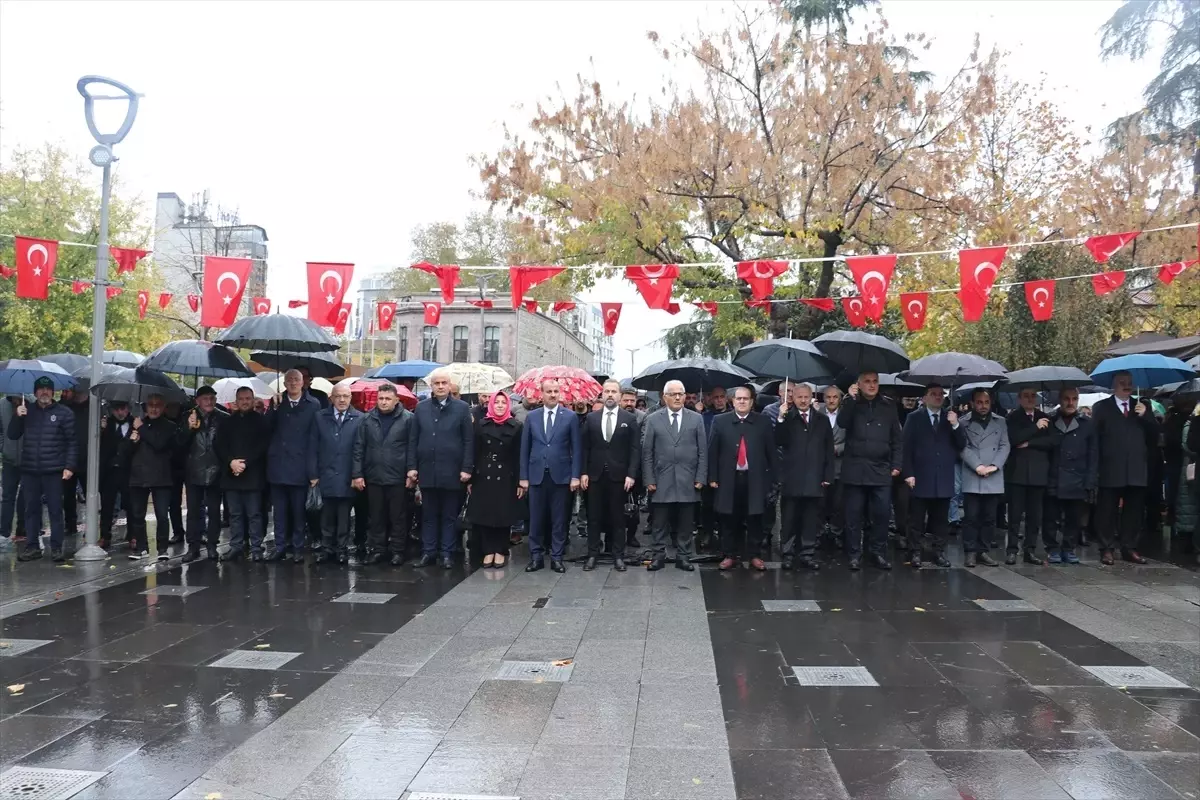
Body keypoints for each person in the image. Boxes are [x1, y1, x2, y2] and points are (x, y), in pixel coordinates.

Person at [836, 372, 903, 570]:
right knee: (853, 515)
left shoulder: (888, 405)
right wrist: (850, 399)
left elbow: (897, 439)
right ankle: (854, 554)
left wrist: (897, 465)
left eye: (875, 381)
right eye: (867, 382)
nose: (872, 385)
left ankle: (878, 552)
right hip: (855, 468)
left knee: (882, 514)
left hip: (881, 469)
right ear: (859, 384)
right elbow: (842, 423)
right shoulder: (852, 402)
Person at [1091, 371, 1159, 565]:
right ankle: (1106, 548)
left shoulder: (1142, 406)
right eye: (1122, 382)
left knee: (1134, 511)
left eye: (1129, 383)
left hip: (1137, 468)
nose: (1126, 386)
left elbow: (1155, 435)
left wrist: (1145, 416)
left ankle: (1129, 547)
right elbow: (1094, 439)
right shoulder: (1102, 407)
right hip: (1111, 467)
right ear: (1114, 385)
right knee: (1107, 510)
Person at [409, 368, 474, 568]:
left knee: (448, 515)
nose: (440, 386)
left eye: (444, 383)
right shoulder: (421, 408)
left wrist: (467, 468)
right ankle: (428, 552)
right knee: (428, 515)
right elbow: (413, 439)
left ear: (449, 385)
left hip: (453, 471)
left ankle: (447, 553)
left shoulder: (462, 408)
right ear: (431, 386)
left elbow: (468, 440)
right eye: (436, 383)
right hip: (428, 470)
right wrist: (412, 467)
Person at [7, 379, 75, 562]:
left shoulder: (64, 413)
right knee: (31, 510)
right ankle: (32, 546)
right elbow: (12, 435)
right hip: (30, 469)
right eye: (41, 389)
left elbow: (72, 442)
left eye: (48, 389)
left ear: (53, 392)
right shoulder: (27, 412)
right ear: (35, 392)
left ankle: (57, 547)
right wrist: (17, 416)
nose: (44, 392)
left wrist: (69, 466)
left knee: (55, 510)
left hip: (53, 469)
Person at [641, 379, 706, 570]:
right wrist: (649, 479)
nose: (678, 397)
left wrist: (700, 477)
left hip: (688, 479)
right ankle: (658, 555)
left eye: (681, 394)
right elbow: (647, 453)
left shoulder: (696, 419)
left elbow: (703, 451)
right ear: (664, 397)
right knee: (659, 522)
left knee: (686, 523)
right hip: (661, 480)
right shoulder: (653, 419)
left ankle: (683, 556)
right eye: (673, 394)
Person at [710, 385, 775, 571]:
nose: (742, 401)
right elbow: (713, 451)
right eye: (738, 398)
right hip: (729, 478)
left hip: (755, 479)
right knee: (729, 518)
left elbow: (771, 451)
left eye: (746, 399)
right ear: (732, 401)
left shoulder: (762, 422)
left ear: (752, 402)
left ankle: (754, 554)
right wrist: (712, 477)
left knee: (755, 518)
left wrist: (773, 478)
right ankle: (729, 554)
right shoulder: (720, 421)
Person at [520, 378, 581, 573]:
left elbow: (577, 449)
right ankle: (536, 556)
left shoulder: (570, 417)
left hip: (561, 476)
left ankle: (556, 557)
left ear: (560, 393)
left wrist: (575, 476)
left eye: (556, 391)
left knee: (559, 519)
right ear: (542, 394)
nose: (553, 394)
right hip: (536, 475)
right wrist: (523, 477)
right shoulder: (532, 417)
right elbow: (525, 448)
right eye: (549, 391)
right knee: (536, 519)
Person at [901, 384, 963, 568]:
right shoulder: (914, 418)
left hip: (943, 477)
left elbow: (961, 444)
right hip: (921, 476)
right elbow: (906, 447)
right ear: (925, 398)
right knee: (916, 520)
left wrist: (955, 425)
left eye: (940, 394)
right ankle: (915, 552)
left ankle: (938, 552)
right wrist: (908, 473)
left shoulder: (949, 418)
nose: (938, 397)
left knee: (940, 521)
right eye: (933, 394)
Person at [580, 380, 640, 572]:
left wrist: (631, 474)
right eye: (607, 391)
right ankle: (592, 554)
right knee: (594, 517)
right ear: (602, 395)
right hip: (595, 475)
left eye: (614, 391)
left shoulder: (629, 419)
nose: (611, 395)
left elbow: (634, 450)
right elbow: (585, 448)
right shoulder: (592, 418)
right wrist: (583, 473)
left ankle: (618, 555)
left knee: (618, 518)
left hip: (619, 477)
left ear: (620, 396)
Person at [775, 383, 834, 570]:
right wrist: (781, 418)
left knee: (810, 519)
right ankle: (788, 553)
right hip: (792, 477)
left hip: (814, 477)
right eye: (798, 397)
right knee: (789, 519)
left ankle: (807, 554)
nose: (802, 400)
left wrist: (828, 475)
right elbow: (779, 440)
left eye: (805, 397)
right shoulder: (788, 418)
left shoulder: (822, 420)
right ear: (793, 398)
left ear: (811, 398)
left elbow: (828, 450)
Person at [352, 382, 413, 565]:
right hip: (374, 476)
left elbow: (412, 447)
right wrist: (357, 474)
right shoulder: (367, 419)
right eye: (381, 398)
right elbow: (358, 448)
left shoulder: (408, 419)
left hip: (398, 477)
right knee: (376, 516)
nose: (384, 402)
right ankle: (378, 549)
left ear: (396, 400)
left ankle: (397, 551)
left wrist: (411, 472)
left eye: (387, 399)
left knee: (398, 517)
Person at [265, 370, 320, 564]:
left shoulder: (313, 404)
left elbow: (314, 439)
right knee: (279, 512)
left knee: (298, 512)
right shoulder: (277, 403)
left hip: (300, 466)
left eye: (297, 379)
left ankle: (297, 547)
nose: (293, 383)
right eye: (289, 380)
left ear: (303, 382)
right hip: (278, 465)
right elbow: (267, 428)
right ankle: (280, 546)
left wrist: (313, 471)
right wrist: (272, 408)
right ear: (285, 383)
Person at [214, 386, 271, 562]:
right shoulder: (227, 422)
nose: (245, 402)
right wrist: (231, 461)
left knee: (254, 514)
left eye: (248, 398)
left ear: (253, 400)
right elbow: (219, 445)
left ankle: (256, 547)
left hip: (253, 474)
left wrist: (245, 463)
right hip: (231, 474)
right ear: (236, 402)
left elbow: (263, 446)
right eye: (241, 399)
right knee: (235, 514)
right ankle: (236, 546)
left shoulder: (261, 422)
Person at [126, 394, 186, 561]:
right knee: (138, 514)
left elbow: (159, 443)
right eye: (151, 405)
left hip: (161, 476)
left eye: (157, 405)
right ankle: (141, 547)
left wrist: (142, 430)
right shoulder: (137, 424)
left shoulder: (169, 426)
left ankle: (162, 548)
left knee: (161, 514)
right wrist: (133, 441)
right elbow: (125, 452)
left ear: (163, 407)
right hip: (138, 476)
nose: (153, 408)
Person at [468, 392, 524, 568]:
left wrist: (520, 480)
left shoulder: (516, 426)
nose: (500, 405)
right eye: (497, 402)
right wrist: (471, 477)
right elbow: (474, 451)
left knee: (503, 515)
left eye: (503, 402)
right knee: (484, 514)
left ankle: (500, 550)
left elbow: (519, 455)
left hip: (506, 475)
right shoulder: (482, 425)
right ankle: (488, 550)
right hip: (484, 474)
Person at [1044, 387, 1097, 564]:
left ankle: (1068, 547)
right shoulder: (1050, 421)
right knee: (1051, 517)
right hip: (1053, 476)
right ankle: (1051, 547)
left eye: (1074, 399)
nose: (1070, 402)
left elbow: (1093, 454)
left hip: (1077, 477)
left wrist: (1090, 481)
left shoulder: (1087, 424)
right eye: (1067, 398)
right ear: (1060, 399)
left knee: (1074, 518)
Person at [312, 384, 363, 564]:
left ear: (351, 398)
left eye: (346, 396)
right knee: (326, 516)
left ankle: (341, 550)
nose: (342, 400)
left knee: (344, 517)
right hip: (325, 475)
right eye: (338, 396)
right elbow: (312, 447)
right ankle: (327, 549)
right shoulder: (319, 417)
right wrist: (313, 474)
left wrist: (357, 475)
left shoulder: (359, 418)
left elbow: (360, 449)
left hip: (347, 476)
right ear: (331, 398)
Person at [959, 388, 1010, 567]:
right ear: (972, 403)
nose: (983, 406)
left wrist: (995, 466)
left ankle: (984, 550)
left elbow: (1005, 445)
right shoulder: (963, 423)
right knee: (971, 516)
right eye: (979, 402)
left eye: (986, 402)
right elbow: (962, 447)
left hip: (993, 475)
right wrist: (978, 466)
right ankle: (970, 551)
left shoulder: (1001, 422)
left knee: (989, 517)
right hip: (973, 473)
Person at [1004, 387, 1055, 565]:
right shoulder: (1012, 417)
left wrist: (1030, 443)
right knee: (1015, 516)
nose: (1030, 399)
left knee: (1035, 517)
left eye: (1033, 396)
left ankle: (1030, 550)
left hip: (1039, 473)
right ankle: (1011, 549)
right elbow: (1013, 439)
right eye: (1026, 396)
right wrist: (1035, 428)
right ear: (1019, 398)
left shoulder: (1046, 417)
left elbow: (1052, 442)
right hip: (1017, 473)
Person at [182, 387, 226, 563]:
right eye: (205, 398)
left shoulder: (223, 417)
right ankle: (193, 546)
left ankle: (212, 546)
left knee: (214, 511)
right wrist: (189, 429)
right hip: (194, 470)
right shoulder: (187, 417)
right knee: (193, 511)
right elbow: (179, 444)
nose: (209, 402)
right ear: (197, 401)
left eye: (212, 398)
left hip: (216, 470)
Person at [821, 386, 847, 550]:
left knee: (839, 504)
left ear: (839, 399)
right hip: (820, 468)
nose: (831, 400)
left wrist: (837, 449)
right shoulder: (817, 414)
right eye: (828, 397)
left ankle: (836, 533)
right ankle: (820, 533)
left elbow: (851, 438)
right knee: (820, 504)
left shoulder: (845, 416)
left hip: (839, 467)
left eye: (834, 397)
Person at [1, 395, 26, 548]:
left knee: (26, 496)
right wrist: (3, 447)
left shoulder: (30, 404)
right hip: (9, 459)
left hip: (27, 458)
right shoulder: (2, 405)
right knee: (7, 497)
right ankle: (4, 532)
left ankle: (22, 529)